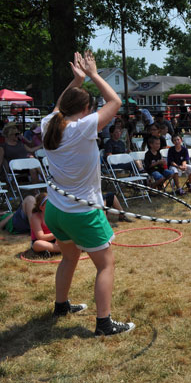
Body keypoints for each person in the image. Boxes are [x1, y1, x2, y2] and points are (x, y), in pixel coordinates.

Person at [41, 50, 134, 336]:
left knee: (69, 258)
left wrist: (76, 80)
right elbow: (115, 101)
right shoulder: (82, 128)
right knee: (106, 265)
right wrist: (93, 75)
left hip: (55, 210)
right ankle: (104, 324)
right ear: (85, 110)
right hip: (82, 213)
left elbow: (60, 107)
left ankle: (61, 306)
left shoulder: (49, 124)